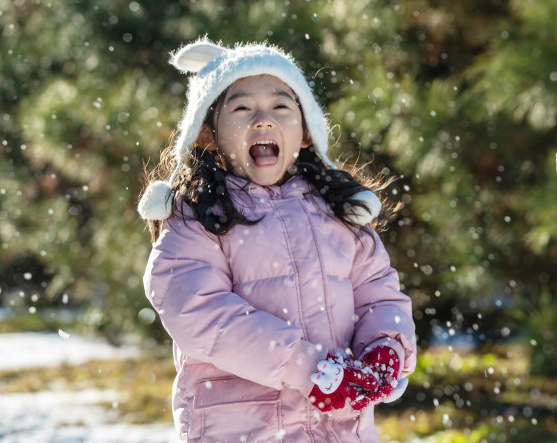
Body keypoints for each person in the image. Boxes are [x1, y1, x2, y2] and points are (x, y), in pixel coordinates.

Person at [138, 38, 417, 442]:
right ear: (208, 136)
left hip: (338, 430)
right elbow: (195, 310)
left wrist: (385, 349)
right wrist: (304, 367)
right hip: (242, 428)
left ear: (305, 132)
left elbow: (378, 293)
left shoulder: (338, 213)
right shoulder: (198, 217)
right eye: (242, 108)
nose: (263, 119)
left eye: (281, 107)